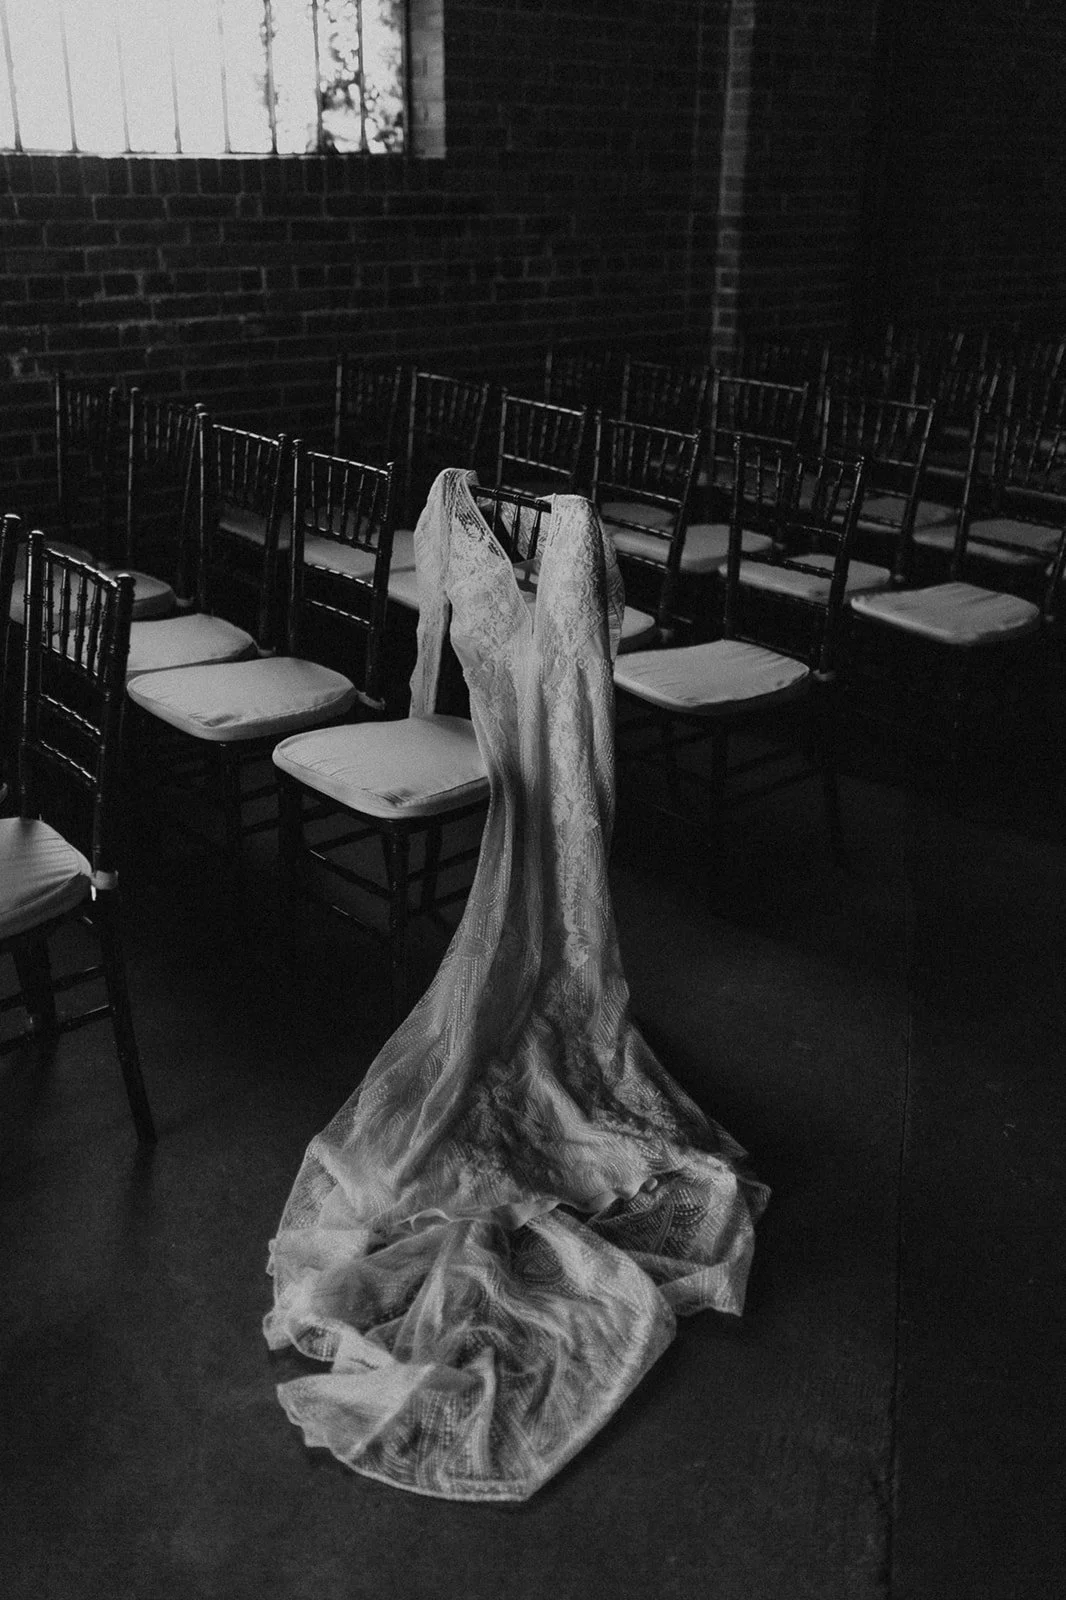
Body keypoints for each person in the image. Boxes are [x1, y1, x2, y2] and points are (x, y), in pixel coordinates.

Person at [264, 468, 769, 1501]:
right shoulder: (478, 511)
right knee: (531, 960)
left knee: (558, 937)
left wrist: (428, 697)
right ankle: (542, 994)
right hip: (520, 763)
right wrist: (422, 705)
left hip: (562, 760)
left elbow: (549, 633)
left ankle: (550, 992)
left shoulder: (493, 514)